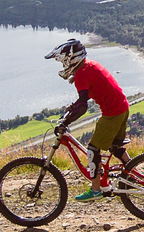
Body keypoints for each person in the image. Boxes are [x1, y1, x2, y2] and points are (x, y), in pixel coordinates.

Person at [47, 38, 132, 200]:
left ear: (70, 59)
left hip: (113, 112)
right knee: (116, 148)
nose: (63, 66)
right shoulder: (89, 65)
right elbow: (84, 98)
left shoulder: (81, 73)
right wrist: (74, 106)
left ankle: (96, 189)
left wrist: (66, 122)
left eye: (63, 62)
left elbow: (83, 107)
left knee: (93, 150)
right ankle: (133, 171)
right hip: (122, 107)